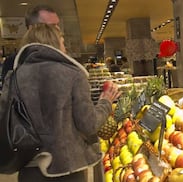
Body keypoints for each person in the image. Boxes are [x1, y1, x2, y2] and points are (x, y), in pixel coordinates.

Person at [10, 23, 121, 181]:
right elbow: (88, 125)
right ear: (53, 44)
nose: (65, 47)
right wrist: (105, 102)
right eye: (62, 41)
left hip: (29, 168)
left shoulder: (15, 77)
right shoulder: (73, 75)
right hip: (66, 169)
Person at [1, 4, 60, 90]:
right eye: (51, 26)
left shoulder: (62, 58)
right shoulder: (14, 62)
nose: (58, 30)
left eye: (58, 25)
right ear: (32, 29)